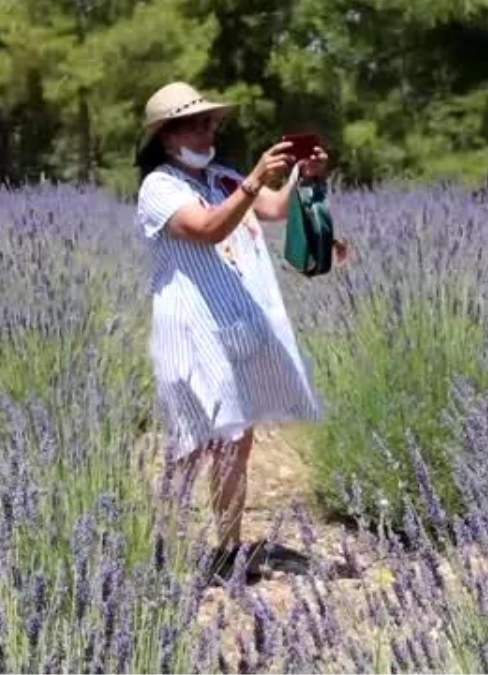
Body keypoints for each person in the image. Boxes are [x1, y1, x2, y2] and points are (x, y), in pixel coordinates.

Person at [134, 81, 341, 576]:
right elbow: (207, 230)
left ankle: (227, 551)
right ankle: (157, 544)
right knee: (191, 442)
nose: (208, 131)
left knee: (235, 440)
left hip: (232, 327)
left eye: (211, 123)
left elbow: (273, 208)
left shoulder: (223, 176)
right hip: (189, 332)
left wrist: (301, 175)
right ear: (166, 136)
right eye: (196, 123)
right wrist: (253, 180)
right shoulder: (158, 187)